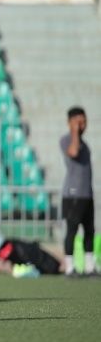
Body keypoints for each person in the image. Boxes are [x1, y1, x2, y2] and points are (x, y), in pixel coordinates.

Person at [61, 106, 96, 277]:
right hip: (73, 194)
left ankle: (90, 267)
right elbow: (73, 152)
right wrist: (74, 131)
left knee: (89, 231)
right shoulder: (67, 140)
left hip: (86, 194)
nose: (82, 125)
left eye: (84, 121)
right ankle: (69, 267)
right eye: (78, 122)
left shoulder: (85, 144)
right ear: (69, 123)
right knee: (72, 231)